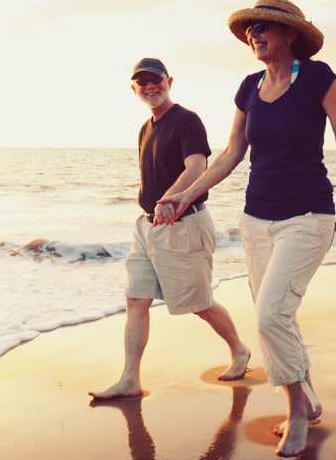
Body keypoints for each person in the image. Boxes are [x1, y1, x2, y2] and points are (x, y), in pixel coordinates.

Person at [158, 0, 336, 458]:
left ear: (290, 35)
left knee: (269, 315)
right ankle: (308, 395)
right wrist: (184, 195)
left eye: (263, 27)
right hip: (255, 221)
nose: (254, 35)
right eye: (250, 30)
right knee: (279, 315)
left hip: (308, 217)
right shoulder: (249, 87)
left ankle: (298, 413)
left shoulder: (319, 78)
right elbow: (230, 154)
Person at [89, 57, 252, 400]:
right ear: (134, 88)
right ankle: (130, 379)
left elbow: (197, 166)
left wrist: (170, 199)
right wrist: (153, 206)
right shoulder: (145, 129)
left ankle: (239, 349)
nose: (150, 86)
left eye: (156, 79)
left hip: (184, 224)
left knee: (199, 302)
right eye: (142, 82)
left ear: (170, 81)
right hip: (146, 228)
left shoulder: (186, 121)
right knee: (136, 299)